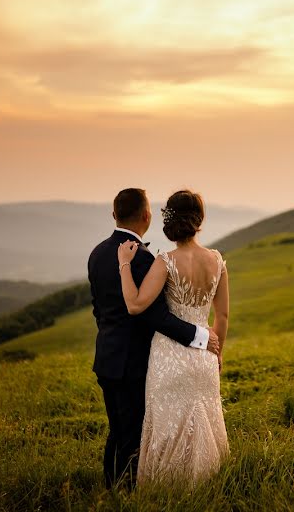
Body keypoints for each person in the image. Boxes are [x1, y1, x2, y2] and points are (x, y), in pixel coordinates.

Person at [88, 188, 220, 490]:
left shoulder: (97, 254)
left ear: (114, 215)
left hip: (107, 357)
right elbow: (154, 316)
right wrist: (202, 335)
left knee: (116, 429)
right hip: (135, 361)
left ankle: (111, 488)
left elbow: (100, 309)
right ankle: (129, 492)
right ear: (146, 216)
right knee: (134, 434)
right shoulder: (144, 259)